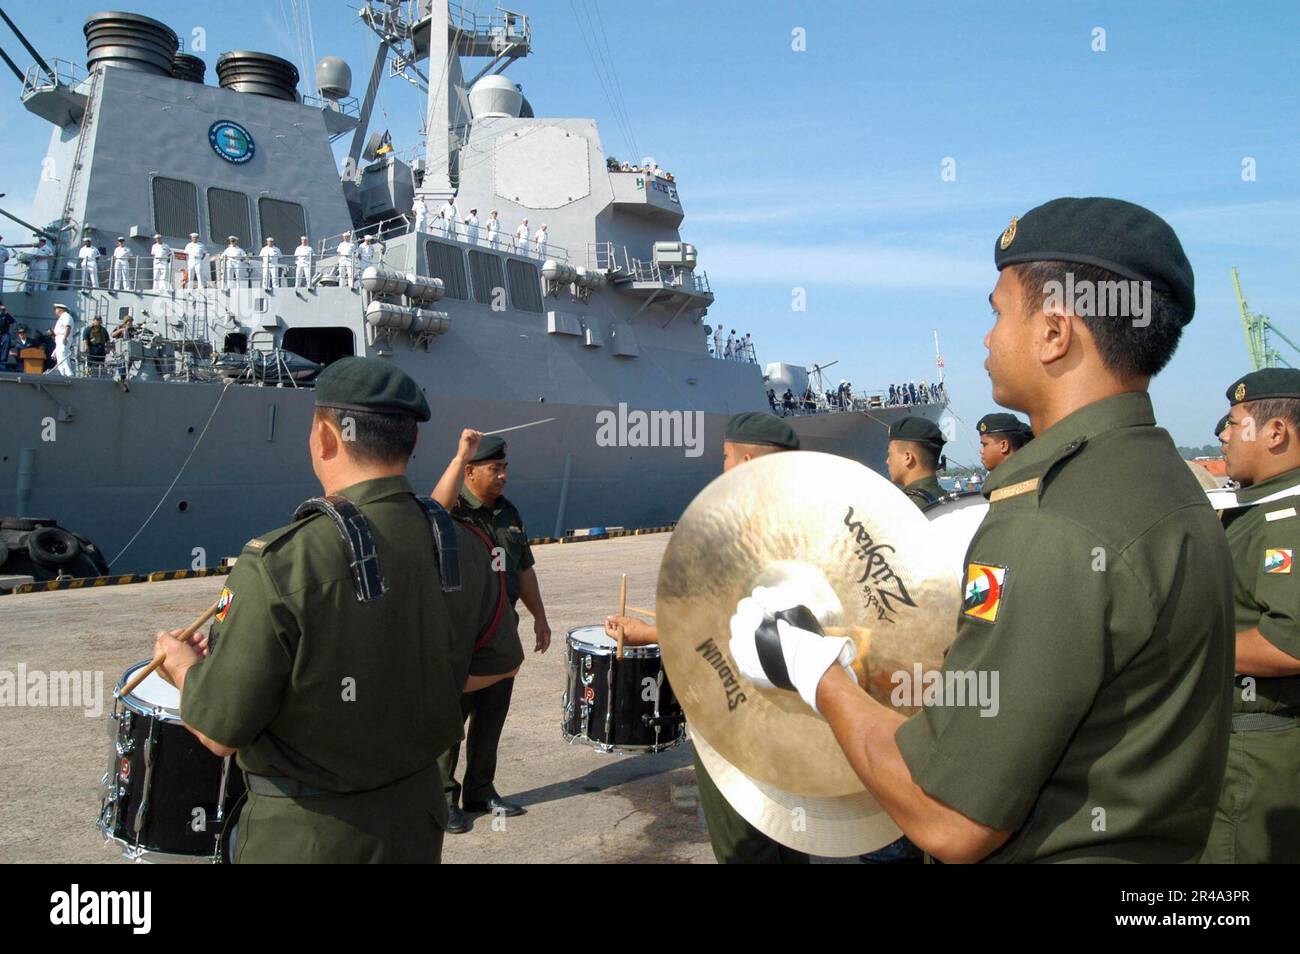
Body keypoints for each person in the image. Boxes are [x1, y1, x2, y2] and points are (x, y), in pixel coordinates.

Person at [728, 197, 1233, 863]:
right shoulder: (1166, 485)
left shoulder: (1050, 523)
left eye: (999, 313)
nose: (988, 339)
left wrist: (812, 669)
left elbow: (948, 818)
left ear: (1055, 333)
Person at [151, 357, 521, 863]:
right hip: (416, 825)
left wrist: (181, 664)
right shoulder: (467, 547)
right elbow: (500, 662)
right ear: (409, 443)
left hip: (307, 838)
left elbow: (219, 731)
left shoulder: (280, 562)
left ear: (326, 436)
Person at [606, 412, 810, 864]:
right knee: (793, 834)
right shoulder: (808, 524)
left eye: (725, 457)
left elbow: (725, 628)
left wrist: (647, 633)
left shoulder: (736, 529)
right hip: (798, 711)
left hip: (735, 709)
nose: (722, 467)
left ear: (747, 460)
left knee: (745, 840)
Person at [1201, 369, 1300, 863]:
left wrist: (1180, 642)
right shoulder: (1256, 509)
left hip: (1258, 749)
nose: (1222, 433)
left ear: (1276, 433)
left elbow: (1288, 644)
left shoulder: (1288, 517)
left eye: (1235, 423)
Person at [431, 432, 550, 833]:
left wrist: (540, 616)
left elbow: (523, 567)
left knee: (491, 719)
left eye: (504, 469)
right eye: (494, 469)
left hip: (502, 635)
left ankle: (479, 791)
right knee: (450, 725)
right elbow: (433, 509)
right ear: (470, 472)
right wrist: (459, 453)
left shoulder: (509, 514)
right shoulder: (455, 511)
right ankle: (443, 798)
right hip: (461, 639)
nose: (502, 476)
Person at [885, 416, 946, 506]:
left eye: (890, 454)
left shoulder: (907, 508)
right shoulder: (946, 499)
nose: (887, 461)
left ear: (907, 458)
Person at [50, 303, 75, 375]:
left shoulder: (67, 317)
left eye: (56, 309)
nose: (55, 311)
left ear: (60, 310)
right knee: (59, 356)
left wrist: (65, 338)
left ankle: (69, 374)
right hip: (59, 339)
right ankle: (62, 373)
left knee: (63, 355)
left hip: (63, 338)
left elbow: (68, 327)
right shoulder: (62, 318)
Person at [0, 303, 12, 368]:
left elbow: (12, 321)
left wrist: (6, 313)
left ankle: (3, 360)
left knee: (7, 338)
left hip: (4, 334)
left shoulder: (5, 316)